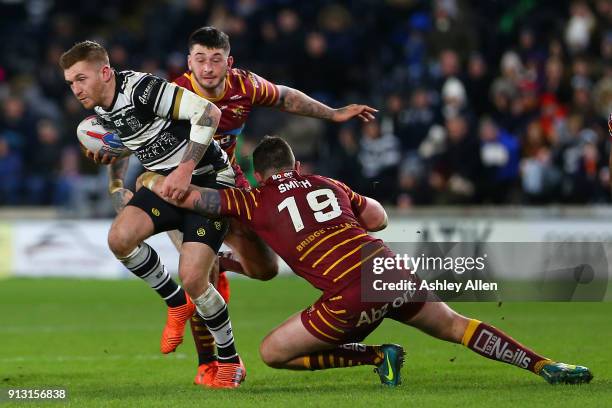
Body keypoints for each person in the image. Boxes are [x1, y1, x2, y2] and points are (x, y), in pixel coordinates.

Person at [140, 136, 593, 387]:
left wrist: (148, 174)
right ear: (295, 166)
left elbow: (191, 197)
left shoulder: (254, 199)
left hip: (349, 293)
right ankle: (543, 364)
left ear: (260, 173)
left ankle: (378, 354)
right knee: (455, 325)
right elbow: (377, 217)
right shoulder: (329, 184)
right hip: (387, 269)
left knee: (272, 353)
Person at [169, 26, 379, 386]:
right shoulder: (172, 94)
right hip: (180, 189)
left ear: (228, 62)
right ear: (189, 62)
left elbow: (285, 97)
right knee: (195, 275)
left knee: (266, 269)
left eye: (215, 60)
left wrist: (333, 114)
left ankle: (223, 265)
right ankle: (212, 365)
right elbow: (131, 130)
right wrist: (117, 176)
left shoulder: (244, 86)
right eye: (200, 60)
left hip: (227, 183)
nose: (207, 68)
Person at [60, 40, 245, 388]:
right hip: (165, 185)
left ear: (104, 72)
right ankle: (176, 304)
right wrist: (116, 186)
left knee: (195, 278)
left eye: (80, 79)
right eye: (71, 82)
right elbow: (123, 146)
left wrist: (186, 168)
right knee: (120, 238)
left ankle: (230, 359)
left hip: (209, 183)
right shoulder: (102, 111)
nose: (76, 89)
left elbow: (209, 114)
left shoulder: (143, 89)